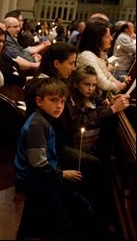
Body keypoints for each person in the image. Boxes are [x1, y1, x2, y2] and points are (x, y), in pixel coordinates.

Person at [24, 42, 113, 232]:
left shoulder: (53, 83)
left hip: (55, 143)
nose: (74, 69)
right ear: (57, 63)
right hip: (54, 147)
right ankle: (93, 221)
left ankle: (89, 214)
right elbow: (69, 124)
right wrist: (108, 111)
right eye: (71, 63)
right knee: (96, 166)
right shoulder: (44, 87)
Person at [15, 77, 103, 239]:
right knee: (66, 225)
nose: (59, 106)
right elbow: (38, 164)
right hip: (36, 181)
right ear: (39, 101)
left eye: (62, 101)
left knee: (83, 207)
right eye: (53, 100)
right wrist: (63, 174)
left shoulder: (43, 120)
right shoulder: (37, 125)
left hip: (46, 177)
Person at [69, 65, 130, 157]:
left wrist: (110, 103)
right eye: (86, 84)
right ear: (76, 84)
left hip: (94, 146)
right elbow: (82, 120)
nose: (91, 89)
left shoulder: (92, 98)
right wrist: (113, 108)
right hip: (79, 150)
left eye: (94, 85)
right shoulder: (71, 100)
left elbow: (98, 109)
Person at [77, 17, 129, 95]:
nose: (111, 38)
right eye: (107, 36)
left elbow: (107, 75)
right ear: (97, 39)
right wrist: (118, 86)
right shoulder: (88, 56)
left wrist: (118, 83)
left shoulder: (100, 54)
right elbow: (102, 82)